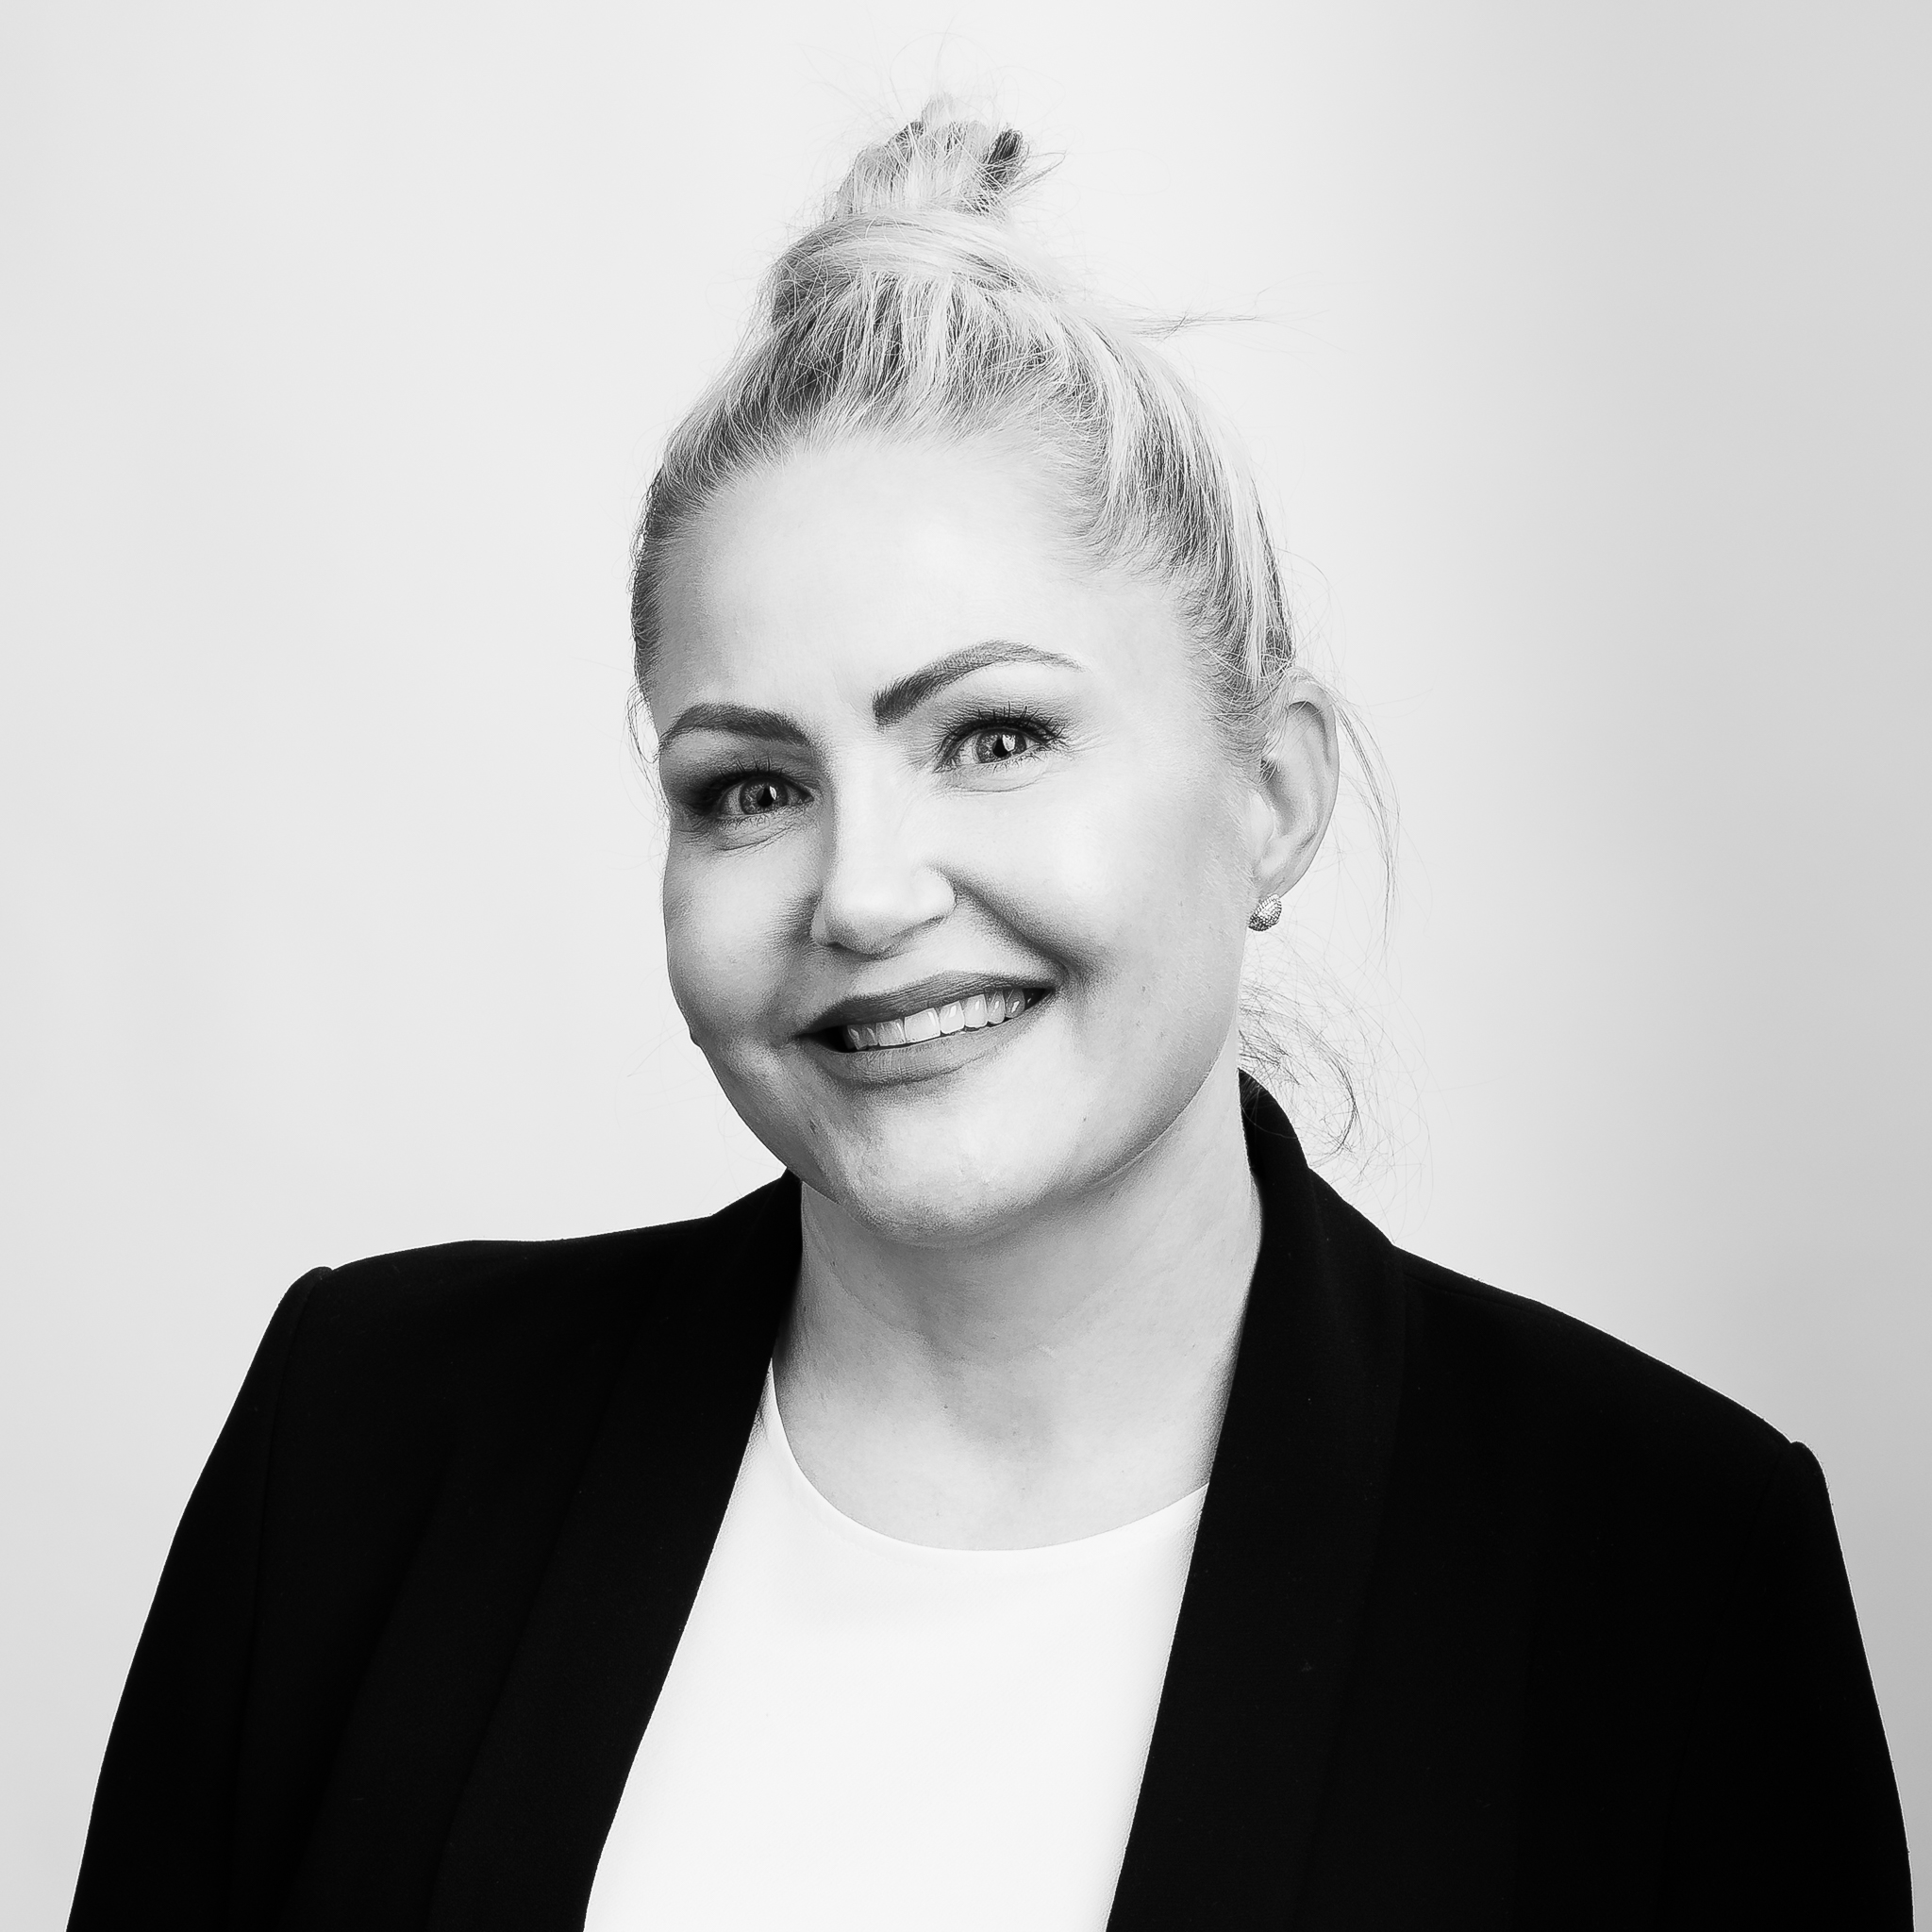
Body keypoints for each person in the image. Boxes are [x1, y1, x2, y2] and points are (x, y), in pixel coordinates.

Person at [67, 103, 1910, 1932]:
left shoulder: (1664, 1575)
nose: (863, 893)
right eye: (750, 787)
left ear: (1271, 796)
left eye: (994, 737)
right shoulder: (365, 1440)